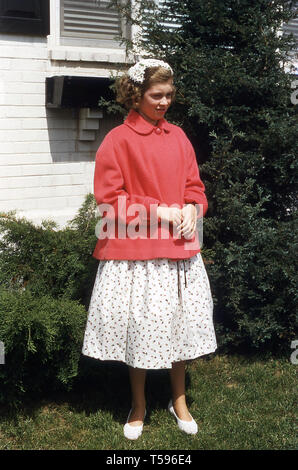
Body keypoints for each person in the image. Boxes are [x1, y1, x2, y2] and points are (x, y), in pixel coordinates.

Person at [82, 58, 217, 440]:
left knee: (179, 325)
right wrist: (163, 211)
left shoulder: (178, 137)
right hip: (136, 253)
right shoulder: (118, 140)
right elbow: (109, 201)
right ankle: (138, 404)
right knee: (139, 327)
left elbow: (195, 187)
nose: (164, 102)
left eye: (169, 95)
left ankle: (179, 400)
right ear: (136, 95)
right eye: (156, 95)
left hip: (179, 250)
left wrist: (193, 208)